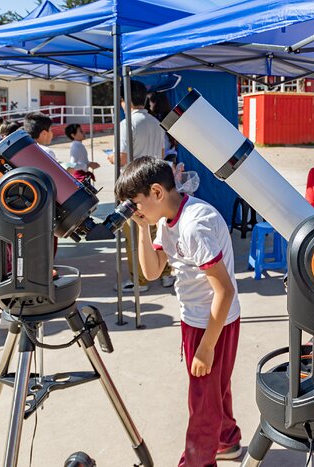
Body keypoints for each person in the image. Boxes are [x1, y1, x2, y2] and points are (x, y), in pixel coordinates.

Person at [115, 156, 242, 466]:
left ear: (157, 192)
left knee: (202, 401)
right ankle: (227, 441)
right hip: (196, 316)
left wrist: (206, 347)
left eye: (135, 203)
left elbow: (224, 291)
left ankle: (198, 461)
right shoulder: (166, 219)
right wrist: (142, 229)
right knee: (214, 388)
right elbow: (153, 270)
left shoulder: (194, 224)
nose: (135, 210)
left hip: (214, 320)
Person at [107, 80, 171, 292]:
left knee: (134, 237)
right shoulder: (156, 123)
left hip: (134, 190)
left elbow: (122, 158)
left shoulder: (127, 124)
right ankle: (165, 273)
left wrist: (111, 159)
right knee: (159, 233)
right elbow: (161, 157)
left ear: (123, 101)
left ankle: (140, 279)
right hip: (156, 188)